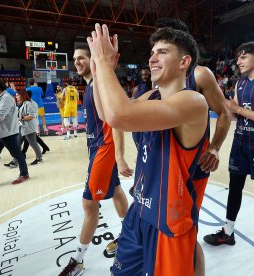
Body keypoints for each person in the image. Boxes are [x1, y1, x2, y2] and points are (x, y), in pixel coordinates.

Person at [88, 24, 208, 276]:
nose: (152, 58)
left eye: (162, 52)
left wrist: (104, 62)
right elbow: (107, 115)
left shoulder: (193, 101)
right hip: (139, 211)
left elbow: (119, 115)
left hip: (168, 221)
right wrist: (99, 70)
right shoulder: (152, 95)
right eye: (152, 52)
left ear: (184, 61)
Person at [152, 18, 232, 276]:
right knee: (165, 233)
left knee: (187, 233)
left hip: (192, 168)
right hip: (164, 167)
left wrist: (215, 147)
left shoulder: (200, 74)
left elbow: (225, 113)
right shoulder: (159, 79)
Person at [204, 41, 254, 251]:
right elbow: (233, 115)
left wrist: (238, 110)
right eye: (238, 57)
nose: (238, 61)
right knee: (235, 187)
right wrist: (219, 107)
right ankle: (228, 232)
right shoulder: (240, 83)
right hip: (240, 142)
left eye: (243, 57)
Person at [59, 44, 133, 275]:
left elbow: (116, 121)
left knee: (89, 204)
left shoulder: (100, 83)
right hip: (97, 148)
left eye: (82, 58)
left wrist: (119, 157)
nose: (77, 62)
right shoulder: (91, 84)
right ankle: (130, 235)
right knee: (117, 191)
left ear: (93, 60)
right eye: (75, 59)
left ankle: (78, 260)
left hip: (104, 149)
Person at [5, 91, 43, 166]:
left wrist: (20, 118)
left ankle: (39, 158)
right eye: (16, 95)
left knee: (33, 143)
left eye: (18, 95)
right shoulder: (21, 104)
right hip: (22, 127)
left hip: (29, 127)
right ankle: (15, 161)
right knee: (17, 144)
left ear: (22, 95)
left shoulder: (29, 104)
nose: (16, 97)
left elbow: (31, 116)